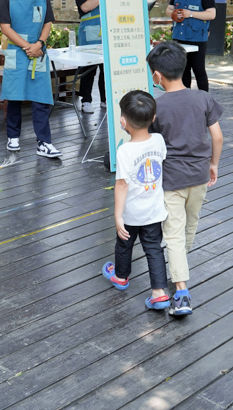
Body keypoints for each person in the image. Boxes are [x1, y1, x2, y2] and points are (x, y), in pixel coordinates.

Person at [146, 41, 223, 316]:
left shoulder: (156, 104)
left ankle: (181, 292)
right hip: (200, 175)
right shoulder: (203, 97)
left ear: (157, 75)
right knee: (190, 225)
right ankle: (179, 266)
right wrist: (213, 164)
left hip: (172, 179)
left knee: (174, 234)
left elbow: (150, 142)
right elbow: (217, 136)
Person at [100, 90, 170, 310]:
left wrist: (118, 215)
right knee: (154, 248)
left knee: (124, 243)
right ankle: (159, 292)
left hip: (131, 212)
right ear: (153, 119)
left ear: (123, 121)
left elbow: (122, 184)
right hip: (154, 210)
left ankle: (120, 277)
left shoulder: (125, 151)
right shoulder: (158, 140)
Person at [0, 0, 62, 158]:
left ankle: (44, 142)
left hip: (38, 51)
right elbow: (5, 27)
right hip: (17, 52)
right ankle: (13, 137)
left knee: (41, 98)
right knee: (14, 96)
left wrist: (39, 43)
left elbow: (48, 22)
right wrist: (28, 47)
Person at [168, 0, 217, 91]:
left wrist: (191, 14)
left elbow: (211, 14)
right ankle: (186, 99)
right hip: (179, 36)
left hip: (197, 39)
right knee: (183, 71)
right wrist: (174, 14)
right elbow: (168, 9)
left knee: (199, 70)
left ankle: (205, 100)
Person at [73, 0, 106, 113]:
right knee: (89, 68)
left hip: (107, 31)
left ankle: (105, 100)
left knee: (106, 69)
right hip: (90, 32)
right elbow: (85, 7)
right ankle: (86, 100)